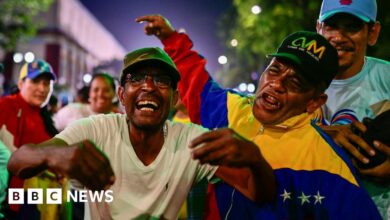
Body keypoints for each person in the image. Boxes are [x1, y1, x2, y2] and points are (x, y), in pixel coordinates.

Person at [137, 15, 381, 219]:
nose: (276, 84)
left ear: (315, 102)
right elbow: (195, 80)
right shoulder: (230, 108)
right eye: (274, 70)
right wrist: (170, 38)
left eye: (295, 81)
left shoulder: (330, 168)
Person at [7, 47, 276, 219]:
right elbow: (17, 161)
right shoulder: (96, 129)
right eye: (136, 79)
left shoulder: (191, 141)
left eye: (161, 80)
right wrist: (56, 154)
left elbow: (258, 193)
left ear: (174, 98)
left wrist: (255, 159)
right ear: (122, 96)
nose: (148, 86)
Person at [316, 0, 390, 218]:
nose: (339, 37)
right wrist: (324, 135)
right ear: (318, 29)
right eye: (331, 26)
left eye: (352, 27)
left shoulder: (386, 78)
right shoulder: (294, 81)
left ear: (373, 33)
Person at [0, 59, 68, 219]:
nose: (42, 88)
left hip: (44, 201)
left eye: (47, 84)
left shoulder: (46, 119)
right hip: (15, 202)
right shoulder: (6, 106)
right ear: (21, 83)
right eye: (36, 81)